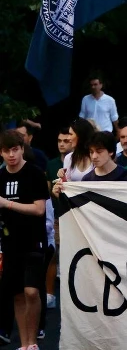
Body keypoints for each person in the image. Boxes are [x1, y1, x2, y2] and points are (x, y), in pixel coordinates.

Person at [0, 131, 49, 350]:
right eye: (6, 151)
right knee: (17, 294)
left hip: (33, 240)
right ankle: (25, 343)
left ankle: (33, 341)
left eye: (15, 149)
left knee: (32, 291)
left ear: (22, 149)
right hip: (10, 242)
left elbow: (39, 209)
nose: (11, 155)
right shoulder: (0, 176)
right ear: (1, 152)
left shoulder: (34, 173)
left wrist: (6, 204)